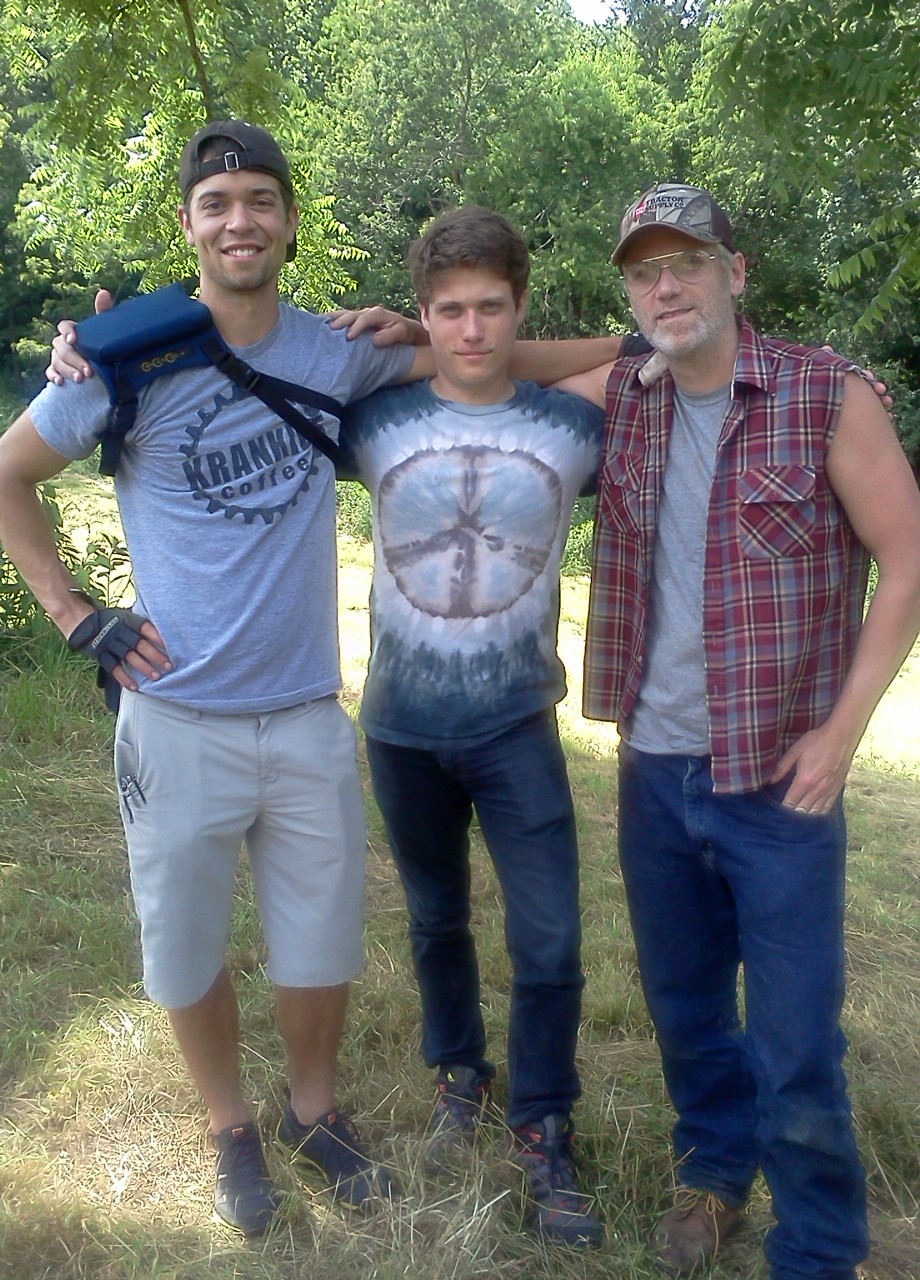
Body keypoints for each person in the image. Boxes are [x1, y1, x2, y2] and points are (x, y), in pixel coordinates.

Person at [0, 119, 429, 1238]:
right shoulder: (126, 357)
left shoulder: (338, 351)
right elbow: (7, 476)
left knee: (322, 937)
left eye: (260, 199)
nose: (239, 218)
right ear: (190, 224)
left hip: (304, 714)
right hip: (175, 714)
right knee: (185, 940)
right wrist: (75, 611)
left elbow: (484, 353)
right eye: (216, 202)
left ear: (290, 220)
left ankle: (315, 1109)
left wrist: (423, 322)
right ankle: (231, 1124)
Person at [555, 184, 920, 1278]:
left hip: (780, 778)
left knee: (796, 1040)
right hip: (654, 766)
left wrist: (843, 734)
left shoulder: (827, 395)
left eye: (688, 260)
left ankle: (820, 1245)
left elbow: (912, 564)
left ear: (738, 271)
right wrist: (395, 330)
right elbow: (492, 359)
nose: (666, 284)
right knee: (683, 1009)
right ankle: (714, 1172)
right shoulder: (628, 395)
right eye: (644, 270)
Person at [334, 206, 605, 1247]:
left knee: (552, 940)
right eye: (448, 310)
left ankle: (545, 1124)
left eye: (492, 306)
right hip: (399, 723)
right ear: (424, 314)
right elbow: (253, 375)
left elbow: (654, 350)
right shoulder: (375, 420)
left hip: (516, 724)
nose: (473, 328)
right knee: (435, 919)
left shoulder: (573, 420)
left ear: (520, 307)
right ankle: (461, 1072)